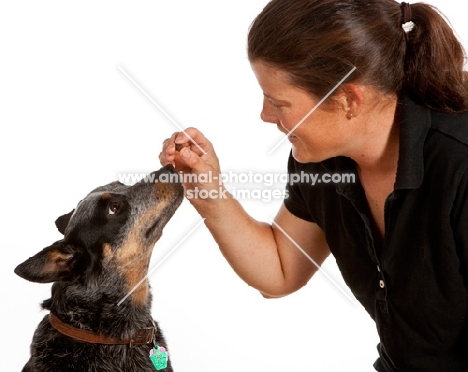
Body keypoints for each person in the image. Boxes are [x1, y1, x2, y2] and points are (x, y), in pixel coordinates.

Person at [159, 0, 468, 370]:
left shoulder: (459, 163)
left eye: (278, 102)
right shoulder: (322, 161)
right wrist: (208, 194)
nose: (264, 115)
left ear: (349, 99)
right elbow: (280, 271)